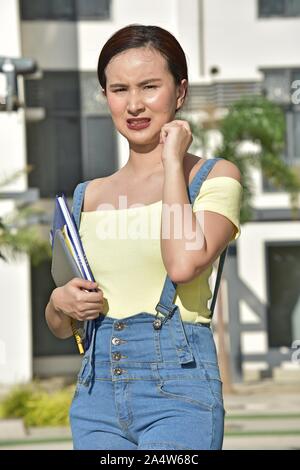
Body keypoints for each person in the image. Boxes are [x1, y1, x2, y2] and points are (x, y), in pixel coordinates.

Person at [45, 24, 243, 450]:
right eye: (119, 89)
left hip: (179, 390)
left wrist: (173, 163)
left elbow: (183, 264)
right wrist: (60, 303)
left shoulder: (212, 178)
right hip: (95, 393)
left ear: (180, 92)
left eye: (150, 86)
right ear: (106, 97)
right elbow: (63, 324)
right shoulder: (85, 196)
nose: (134, 104)